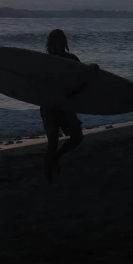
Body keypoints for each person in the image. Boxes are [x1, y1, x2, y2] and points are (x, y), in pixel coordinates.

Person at [40, 29, 96, 183]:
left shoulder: (72, 59)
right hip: (49, 107)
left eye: (60, 40)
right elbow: (38, 84)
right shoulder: (45, 61)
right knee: (52, 143)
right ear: (50, 43)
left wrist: (92, 69)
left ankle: (58, 156)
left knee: (77, 137)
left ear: (64, 42)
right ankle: (48, 177)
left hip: (66, 106)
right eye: (54, 40)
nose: (57, 43)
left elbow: (82, 80)